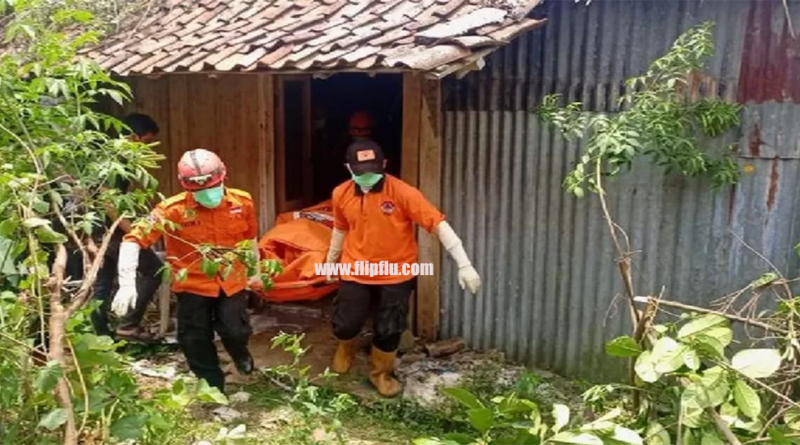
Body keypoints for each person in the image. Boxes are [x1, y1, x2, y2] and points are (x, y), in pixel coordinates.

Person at [324, 139, 481, 397]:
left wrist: (465, 264)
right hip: (355, 268)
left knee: (389, 327)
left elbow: (437, 224)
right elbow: (340, 229)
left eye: (374, 171)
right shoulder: (341, 193)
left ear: (384, 165)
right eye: (361, 172)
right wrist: (330, 262)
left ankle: (380, 374)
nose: (368, 178)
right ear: (349, 169)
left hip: (396, 271)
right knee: (345, 323)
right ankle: (345, 347)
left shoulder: (403, 193)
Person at [110, 148, 260, 393]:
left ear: (224, 175)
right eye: (198, 190)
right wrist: (127, 283)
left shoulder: (242, 202)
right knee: (194, 337)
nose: (207, 195)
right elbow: (134, 238)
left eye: (211, 186)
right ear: (186, 186)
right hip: (191, 284)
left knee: (235, 328)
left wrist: (256, 271)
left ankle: (240, 354)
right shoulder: (172, 210)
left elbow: (250, 238)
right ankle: (212, 386)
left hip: (232, 279)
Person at [90, 112, 165, 341]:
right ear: (133, 137)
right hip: (113, 232)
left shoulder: (103, 155)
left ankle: (101, 336)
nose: (147, 149)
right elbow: (108, 200)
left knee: (103, 283)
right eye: (146, 142)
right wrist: (132, 232)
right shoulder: (114, 161)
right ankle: (128, 325)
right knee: (155, 270)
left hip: (97, 229)